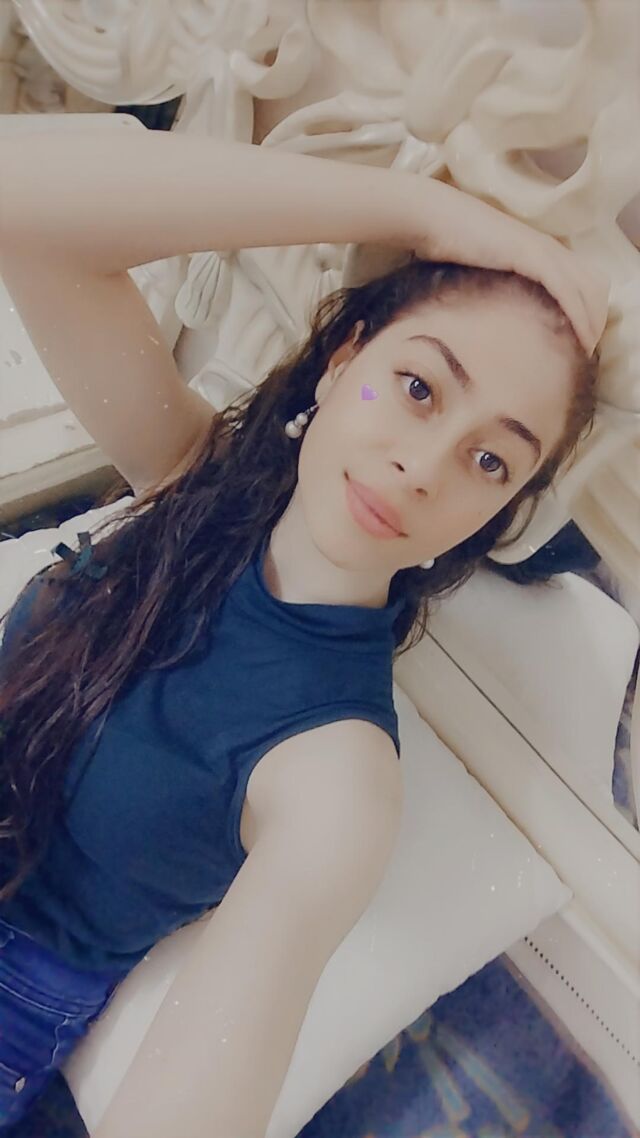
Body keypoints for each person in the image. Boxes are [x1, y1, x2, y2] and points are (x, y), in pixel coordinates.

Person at [0, 129, 608, 1135]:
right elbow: (21, 192)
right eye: (419, 387)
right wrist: (416, 210)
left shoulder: (337, 778)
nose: (423, 468)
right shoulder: (190, 479)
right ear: (342, 360)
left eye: (490, 462)